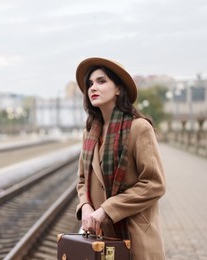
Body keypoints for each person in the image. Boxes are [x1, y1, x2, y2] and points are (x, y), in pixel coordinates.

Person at [75, 57, 166, 259]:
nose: (93, 88)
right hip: (100, 238)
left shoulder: (139, 128)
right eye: (90, 84)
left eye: (101, 81)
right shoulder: (90, 133)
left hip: (135, 237)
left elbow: (154, 183)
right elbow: (82, 180)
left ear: (118, 89)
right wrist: (86, 205)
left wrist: (107, 209)